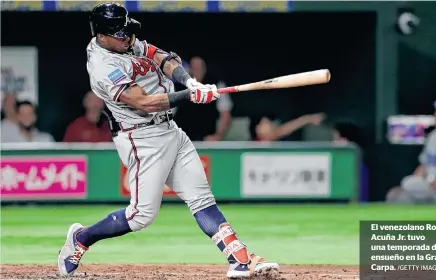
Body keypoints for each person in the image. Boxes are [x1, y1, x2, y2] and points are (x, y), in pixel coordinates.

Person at [57, 3, 278, 279]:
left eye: (128, 32)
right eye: (120, 34)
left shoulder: (124, 42)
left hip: (170, 130)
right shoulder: (103, 66)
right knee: (140, 216)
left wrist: (190, 82)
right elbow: (144, 103)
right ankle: (81, 238)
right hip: (142, 138)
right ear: (102, 36)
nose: (128, 38)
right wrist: (190, 96)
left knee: (201, 197)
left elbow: (159, 55)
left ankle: (239, 258)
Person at [386, 98, 436, 204]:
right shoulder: (432, 137)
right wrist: (409, 186)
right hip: (429, 187)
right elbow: (424, 166)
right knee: (403, 188)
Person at [173, 56, 233, 141]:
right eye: (194, 68)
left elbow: (225, 115)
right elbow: (168, 115)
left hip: (207, 141)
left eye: (199, 68)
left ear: (204, 68)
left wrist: (218, 136)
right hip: (182, 140)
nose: (197, 71)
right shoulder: (177, 88)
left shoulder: (217, 85)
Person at [250, 113, 325, 141]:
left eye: (269, 123)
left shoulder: (274, 136)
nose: (271, 125)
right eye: (265, 124)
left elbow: (290, 127)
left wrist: (308, 119)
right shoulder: (252, 147)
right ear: (257, 129)